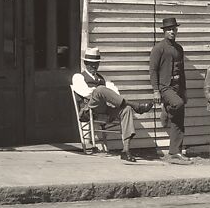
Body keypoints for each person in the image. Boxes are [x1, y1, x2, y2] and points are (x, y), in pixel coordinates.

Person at [72, 47, 153, 163]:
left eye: (96, 64)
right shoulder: (78, 77)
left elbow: (115, 93)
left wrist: (106, 94)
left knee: (126, 109)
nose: (94, 66)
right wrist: (102, 92)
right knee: (100, 90)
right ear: (86, 63)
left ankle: (126, 150)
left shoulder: (103, 78)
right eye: (91, 64)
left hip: (105, 109)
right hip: (88, 110)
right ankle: (137, 106)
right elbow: (86, 93)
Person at [149, 17, 191, 165]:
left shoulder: (179, 48)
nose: (172, 32)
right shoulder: (158, 48)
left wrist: (184, 90)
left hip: (178, 87)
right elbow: (153, 70)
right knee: (177, 105)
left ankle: (175, 152)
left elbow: (183, 71)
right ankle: (166, 109)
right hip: (165, 86)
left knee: (179, 117)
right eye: (169, 30)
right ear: (164, 32)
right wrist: (155, 90)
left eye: (174, 29)